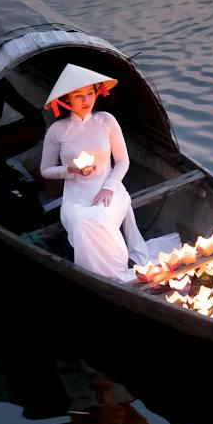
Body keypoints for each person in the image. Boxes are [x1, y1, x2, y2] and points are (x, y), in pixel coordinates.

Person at [39, 63, 143, 281]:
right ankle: (100, 277)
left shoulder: (106, 120)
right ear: (66, 99)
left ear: (97, 93)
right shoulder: (57, 131)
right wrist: (71, 170)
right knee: (81, 218)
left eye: (90, 93)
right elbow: (46, 170)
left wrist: (108, 187)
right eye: (78, 96)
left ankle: (115, 273)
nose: (86, 101)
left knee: (99, 215)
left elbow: (123, 161)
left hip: (110, 192)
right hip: (76, 199)